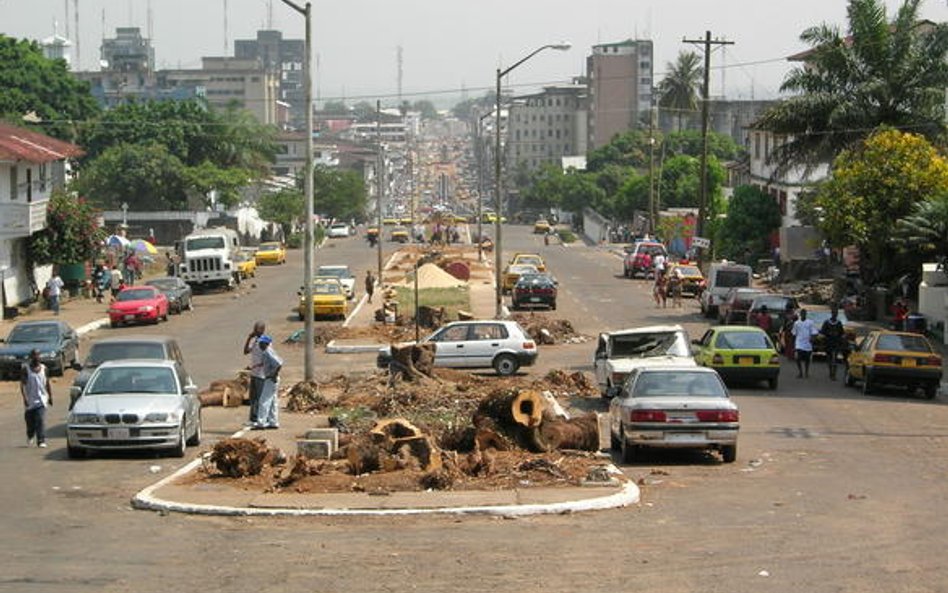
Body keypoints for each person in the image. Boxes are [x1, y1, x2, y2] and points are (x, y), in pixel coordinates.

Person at [21, 349, 52, 448]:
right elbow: (22, 385)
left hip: (42, 399)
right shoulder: (26, 369)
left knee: (40, 419)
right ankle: (30, 435)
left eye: (38, 355)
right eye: (34, 355)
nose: (36, 357)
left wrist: (50, 396)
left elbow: (47, 383)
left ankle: (41, 440)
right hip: (30, 400)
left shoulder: (44, 368)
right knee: (30, 422)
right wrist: (25, 398)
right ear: (31, 357)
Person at [252, 335, 283, 430]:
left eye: (261, 343)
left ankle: (261, 422)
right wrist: (255, 366)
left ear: (266, 343)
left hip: (271, 378)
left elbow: (279, 364)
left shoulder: (268, 352)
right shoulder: (266, 352)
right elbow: (266, 363)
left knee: (263, 401)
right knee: (273, 401)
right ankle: (273, 422)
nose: (259, 345)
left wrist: (273, 375)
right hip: (271, 378)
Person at [243, 321, 267, 426]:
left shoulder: (264, 342)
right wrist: (249, 338)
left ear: (262, 330)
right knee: (253, 397)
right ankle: (253, 418)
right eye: (254, 329)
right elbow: (245, 351)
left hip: (261, 374)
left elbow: (267, 356)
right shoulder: (256, 341)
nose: (254, 331)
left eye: (256, 329)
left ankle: (260, 418)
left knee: (260, 397)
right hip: (254, 373)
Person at [820, 304, 847, 381]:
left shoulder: (839, 323)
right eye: (834, 313)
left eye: (836, 313)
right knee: (829, 358)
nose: (835, 314)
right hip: (828, 342)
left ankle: (833, 374)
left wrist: (842, 338)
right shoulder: (826, 322)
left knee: (834, 358)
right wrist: (828, 334)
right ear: (831, 313)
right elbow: (822, 332)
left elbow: (842, 333)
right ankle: (830, 372)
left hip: (836, 343)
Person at [792, 308, 819, 379]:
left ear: (806, 314)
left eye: (804, 313)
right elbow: (794, 334)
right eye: (802, 313)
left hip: (807, 344)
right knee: (798, 358)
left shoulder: (810, 322)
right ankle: (800, 372)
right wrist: (794, 345)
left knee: (807, 359)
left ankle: (806, 372)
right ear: (800, 314)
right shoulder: (796, 323)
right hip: (799, 343)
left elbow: (815, 332)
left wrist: (812, 338)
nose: (803, 315)